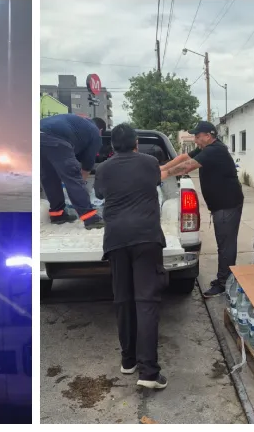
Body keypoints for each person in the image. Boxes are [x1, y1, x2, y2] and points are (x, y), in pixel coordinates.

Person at [94, 124, 168, 389]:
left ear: (112, 146)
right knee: (146, 302)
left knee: (123, 300)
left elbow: (100, 194)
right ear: (136, 142)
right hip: (146, 238)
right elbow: (157, 180)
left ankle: (128, 361)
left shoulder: (102, 169)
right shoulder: (149, 163)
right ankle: (149, 373)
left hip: (115, 239)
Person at [160, 121, 244, 297]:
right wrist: (162, 167)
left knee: (226, 246)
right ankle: (225, 278)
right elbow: (184, 158)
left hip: (227, 205)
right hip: (221, 205)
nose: (196, 140)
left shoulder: (215, 150)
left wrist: (165, 174)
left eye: (198, 137)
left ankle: (224, 284)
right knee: (224, 244)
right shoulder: (207, 148)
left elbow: (188, 166)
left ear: (208, 135)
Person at [40, 113, 106, 229]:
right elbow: (87, 165)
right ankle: (90, 217)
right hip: (55, 138)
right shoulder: (95, 132)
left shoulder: (79, 124)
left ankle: (57, 214)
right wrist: (80, 184)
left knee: (50, 177)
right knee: (72, 176)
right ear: (101, 130)